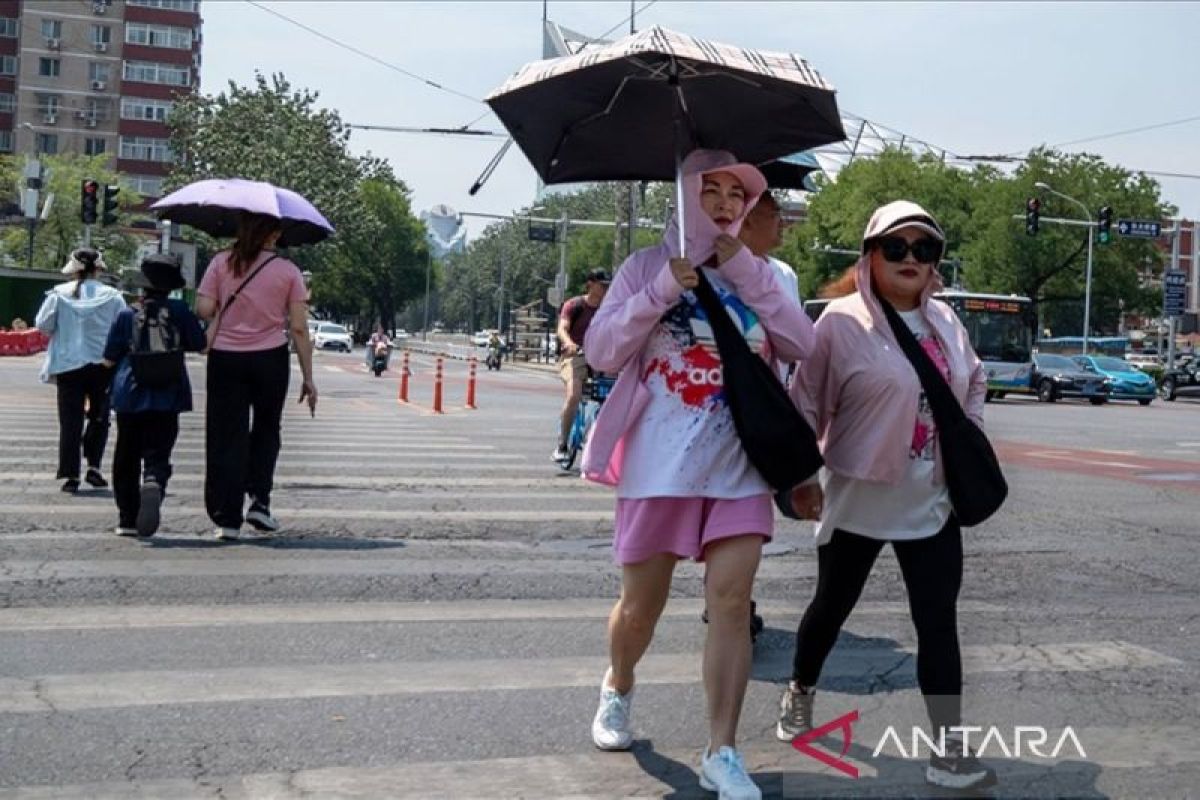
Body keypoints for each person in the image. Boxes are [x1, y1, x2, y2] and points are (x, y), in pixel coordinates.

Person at [581, 149, 814, 800]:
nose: (724, 205)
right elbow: (601, 352)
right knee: (640, 611)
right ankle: (619, 684)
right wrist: (661, 292)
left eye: (736, 195)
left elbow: (803, 345)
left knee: (732, 605)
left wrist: (747, 272)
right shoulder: (644, 268)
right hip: (659, 467)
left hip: (740, 465)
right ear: (683, 196)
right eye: (708, 191)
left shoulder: (764, 273)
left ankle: (723, 750)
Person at [777, 200, 997, 791]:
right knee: (830, 608)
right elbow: (805, 402)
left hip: (932, 499)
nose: (910, 259)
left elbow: (974, 381)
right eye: (895, 248)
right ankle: (800, 689)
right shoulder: (839, 324)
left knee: (938, 623)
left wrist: (968, 436)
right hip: (857, 496)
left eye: (923, 249)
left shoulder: (948, 323)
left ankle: (948, 749)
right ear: (869, 257)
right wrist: (800, 479)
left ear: (936, 263)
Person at [195, 212, 317, 541]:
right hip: (270, 359)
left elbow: (204, 309)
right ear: (272, 236)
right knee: (266, 430)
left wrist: (222, 301)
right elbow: (298, 328)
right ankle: (259, 502)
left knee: (225, 434)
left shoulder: (221, 263)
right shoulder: (289, 271)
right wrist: (308, 377)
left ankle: (227, 517)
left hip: (226, 360)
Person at [102, 254, 205, 537]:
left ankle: (126, 519)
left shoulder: (126, 314)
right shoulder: (180, 310)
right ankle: (154, 480)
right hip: (168, 392)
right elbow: (199, 344)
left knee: (126, 454)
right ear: (171, 286)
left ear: (142, 286)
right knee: (160, 450)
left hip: (130, 393)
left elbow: (110, 357)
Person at [34, 248, 126, 493]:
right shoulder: (113, 296)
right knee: (100, 416)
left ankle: (70, 474)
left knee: (70, 420)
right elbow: (123, 328)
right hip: (103, 365)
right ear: (99, 269)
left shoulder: (58, 294)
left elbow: (42, 324)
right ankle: (93, 467)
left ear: (73, 270)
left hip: (68, 364)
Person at [737, 191, 802, 382]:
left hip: (772, 395)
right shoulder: (716, 273)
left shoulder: (785, 274)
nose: (782, 223)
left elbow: (797, 345)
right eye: (775, 214)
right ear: (748, 220)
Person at [552, 268, 609, 463]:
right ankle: (562, 444)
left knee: (618, 395)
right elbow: (562, 328)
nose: (606, 289)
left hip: (600, 357)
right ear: (590, 284)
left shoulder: (609, 307)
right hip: (575, 355)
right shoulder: (574, 305)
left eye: (608, 286)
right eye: (603, 285)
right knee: (574, 395)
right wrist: (569, 343)